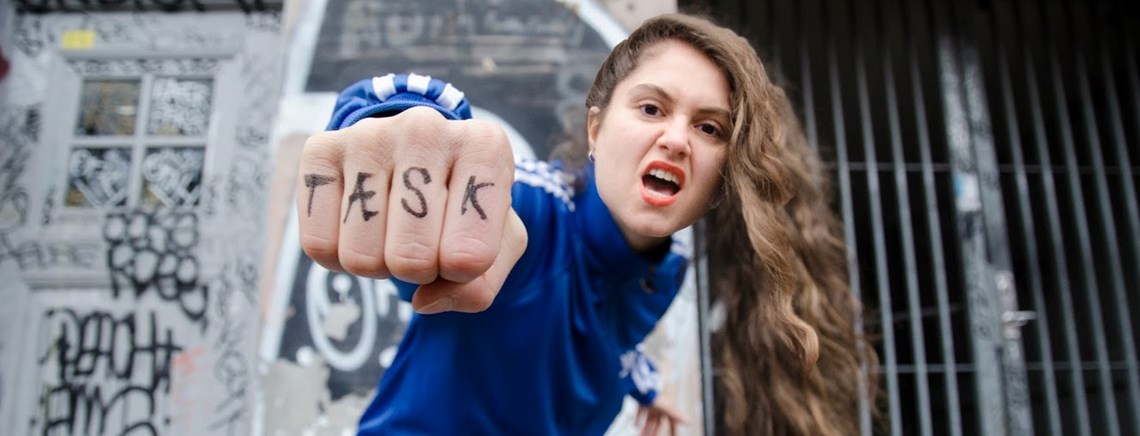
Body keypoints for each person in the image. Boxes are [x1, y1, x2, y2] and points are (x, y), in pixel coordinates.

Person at [297, 13, 876, 436]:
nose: (676, 138)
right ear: (596, 131)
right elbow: (470, 183)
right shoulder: (534, 214)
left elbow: (604, 330)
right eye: (651, 108)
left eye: (710, 128)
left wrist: (640, 381)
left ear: (726, 172)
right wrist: (401, 129)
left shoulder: (662, 271)